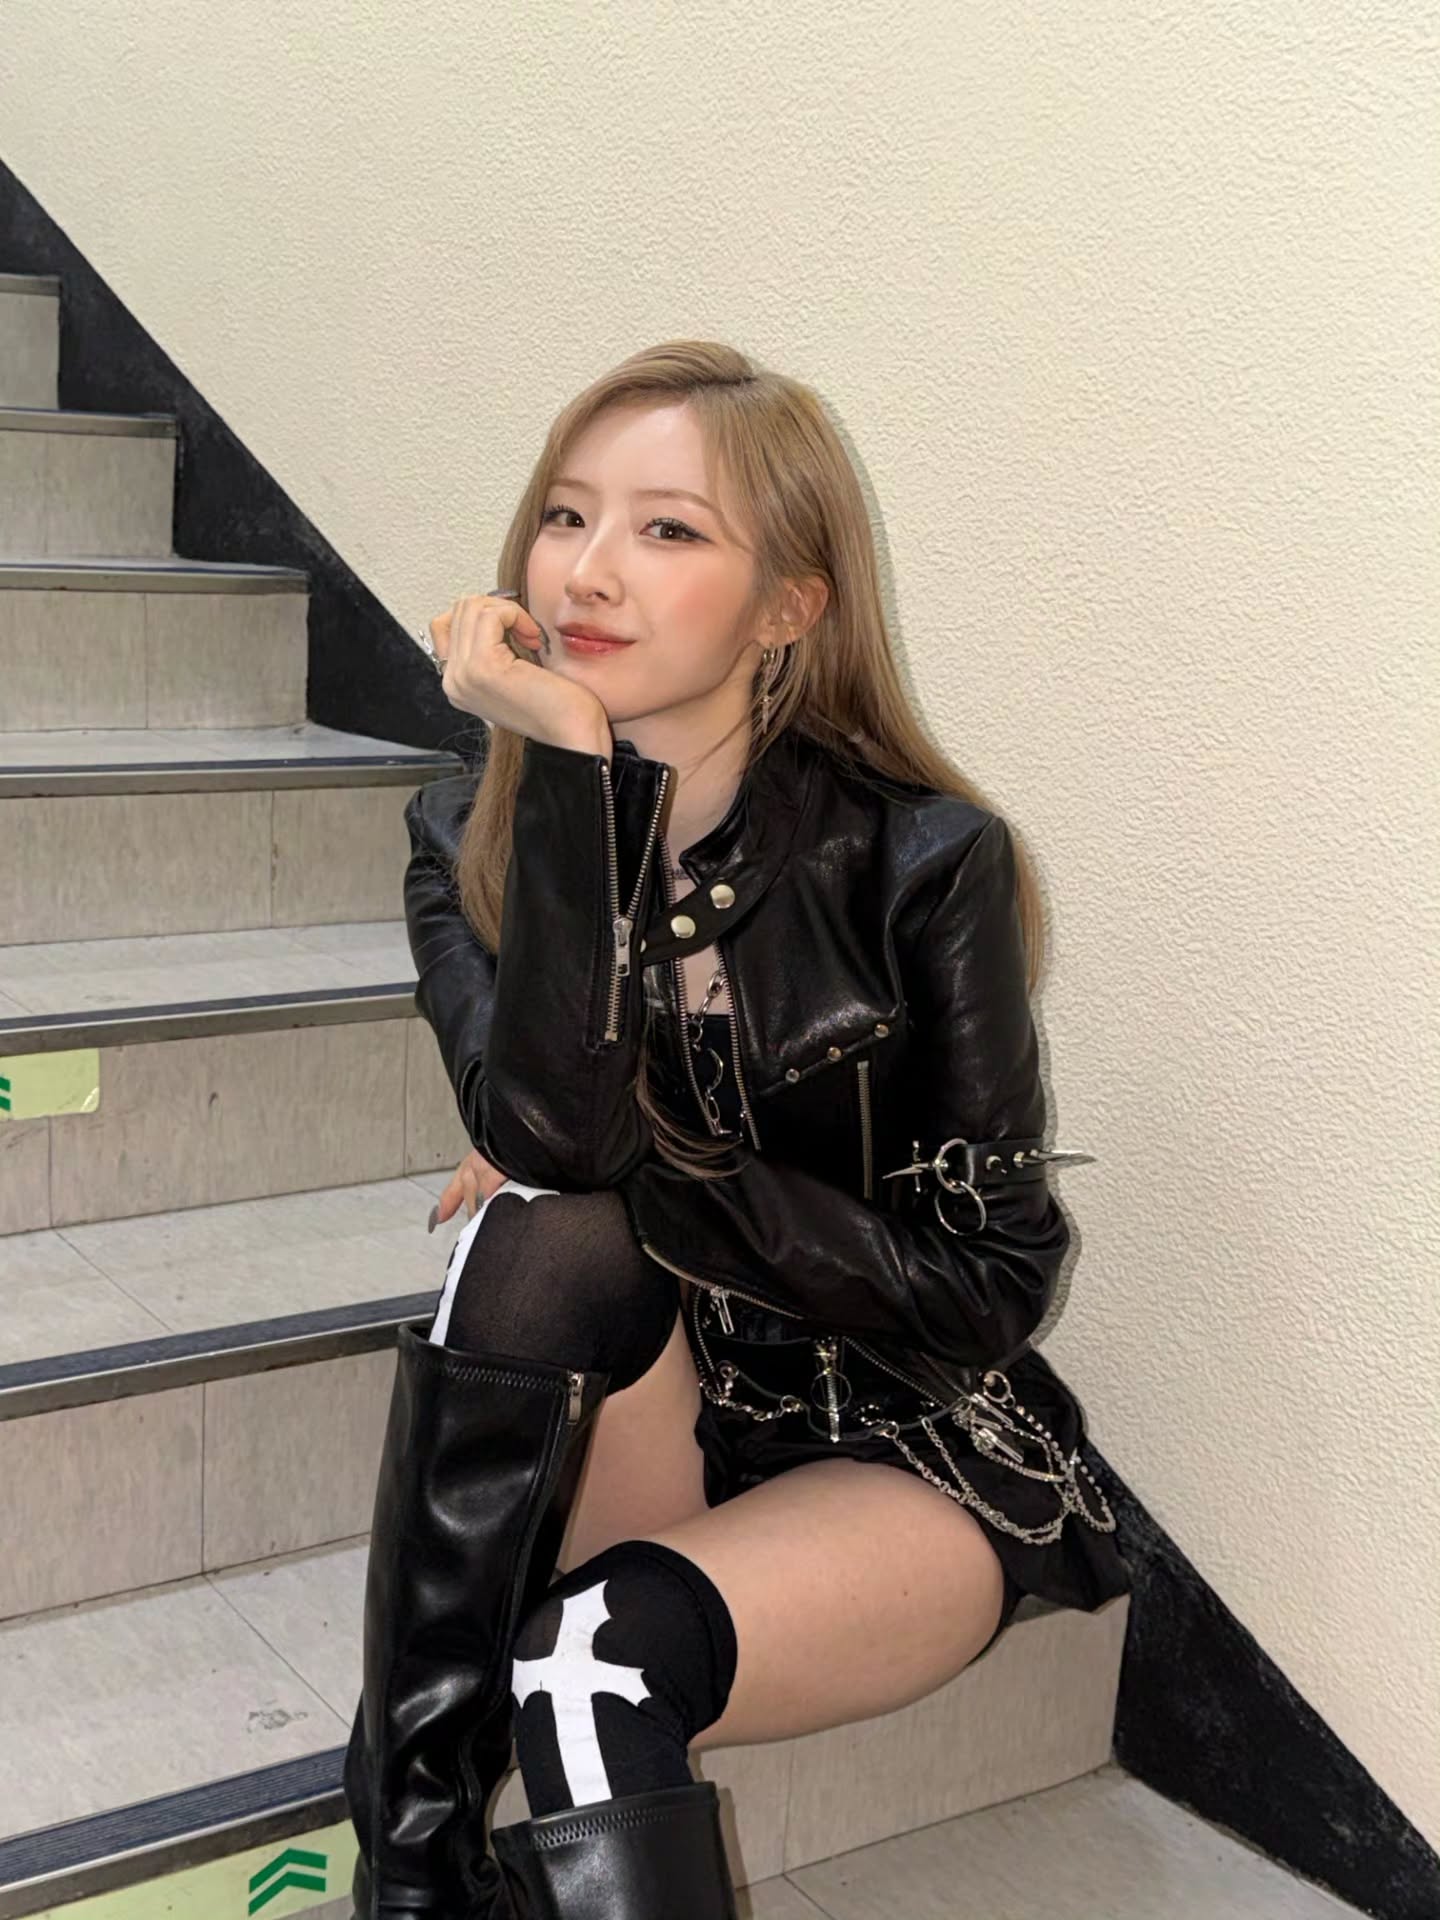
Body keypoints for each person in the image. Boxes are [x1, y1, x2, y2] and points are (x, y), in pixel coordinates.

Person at [342, 340, 1134, 1920]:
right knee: (542, 1226)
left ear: (789, 606)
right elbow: (559, 1148)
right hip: (653, 1408)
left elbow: (990, 1287)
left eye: (668, 530)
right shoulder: (471, 835)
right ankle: (411, 1877)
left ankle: (412, 1856)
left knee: (585, 1664)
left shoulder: (920, 861)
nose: (588, 571)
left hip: (894, 1434)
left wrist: (662, 1168)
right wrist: (572, 771)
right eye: (565, 516)